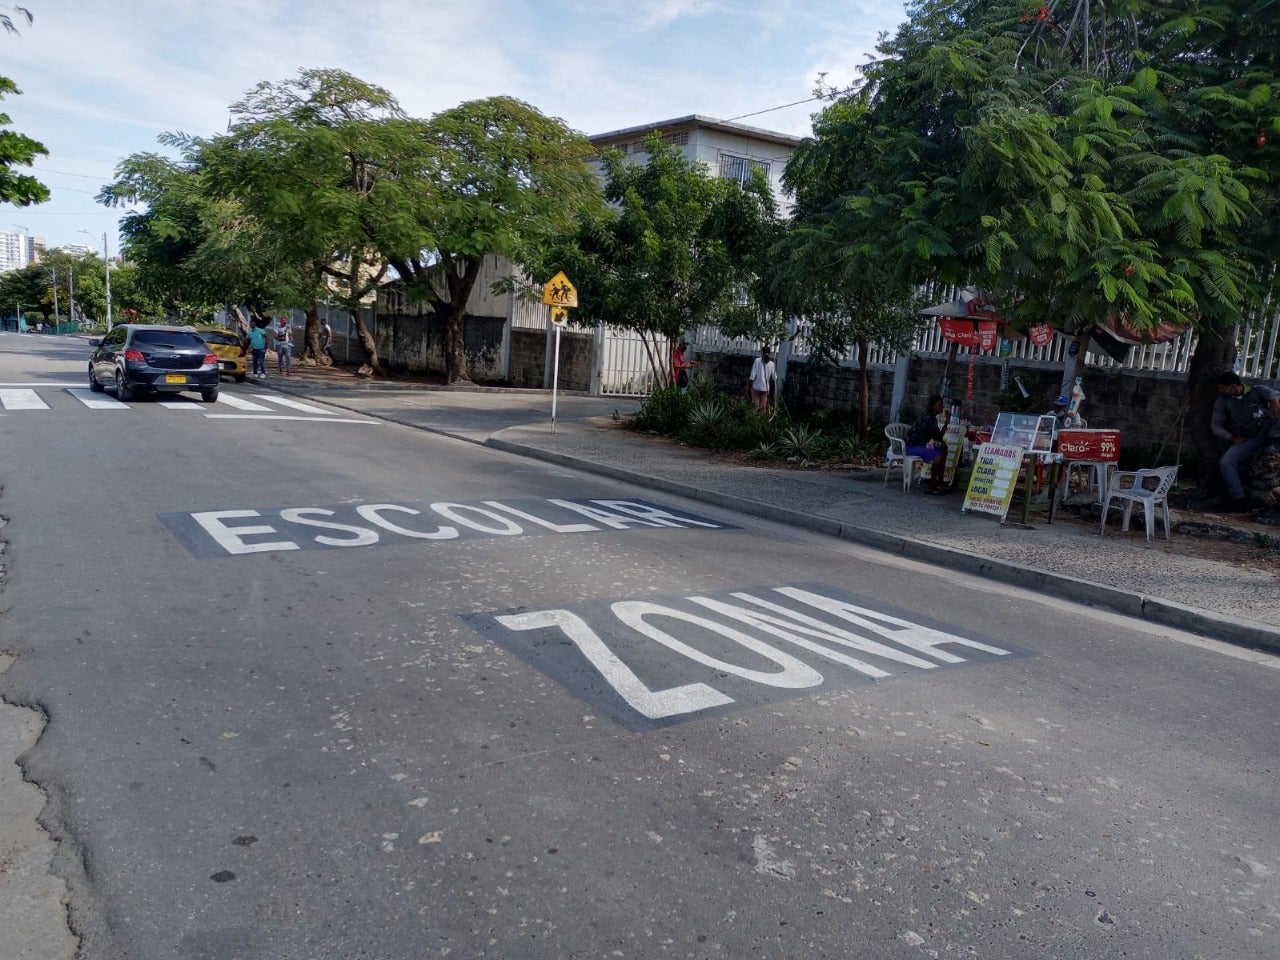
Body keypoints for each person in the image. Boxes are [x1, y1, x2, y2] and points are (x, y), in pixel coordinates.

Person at [1211, 370, 1279, 512]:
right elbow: (1216, 425)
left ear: (1235, 386)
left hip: (1268, 432)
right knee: (1226, 462)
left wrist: (1274, 401)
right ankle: (1239, 500)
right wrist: (1231, 438)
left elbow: (1274, 393)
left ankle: (1276, 441)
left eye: (1224, 388)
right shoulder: (1223, 401)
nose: (1222, 391)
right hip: (1247, 438)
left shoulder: (1256, 391)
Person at [905, 394, 952, 493]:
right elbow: (938, 437)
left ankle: (939, 483)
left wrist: (946, 423)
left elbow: (937, 436)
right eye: (939, 404)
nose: (942, 407)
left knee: (942, 452)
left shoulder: (930, 418)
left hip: (919, 445)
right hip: (911, 447)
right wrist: (946, 423)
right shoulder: (928, 418)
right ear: (932, 406)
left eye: (942, 404)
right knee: (938, 456)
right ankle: (933, 485)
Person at [749, 345, 777, 410]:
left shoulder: (757, 361)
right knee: (763, 407)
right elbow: (774, 377)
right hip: (765, 388)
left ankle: (755, 419)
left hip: (756, 387)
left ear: (762, 352)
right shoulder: (772, 364)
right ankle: (762, 419)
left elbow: (752, 375)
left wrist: (750, 384)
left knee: (755, 407)